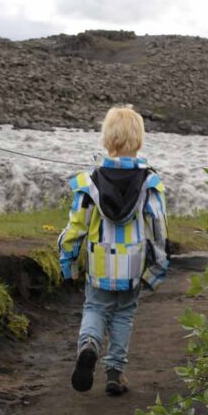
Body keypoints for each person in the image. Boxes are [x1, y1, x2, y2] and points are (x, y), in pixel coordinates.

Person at [58, 105, 169, 396]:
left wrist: (68, 261)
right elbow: (158, 229)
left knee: (95, 307)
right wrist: (157, 267)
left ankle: (89, 344)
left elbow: (75, 228)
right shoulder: (149, 183)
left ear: (107, 139)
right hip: (132, 267)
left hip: (99, 264)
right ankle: (114, 374)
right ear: (139, 140)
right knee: (123, 315)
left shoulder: (90, 183)